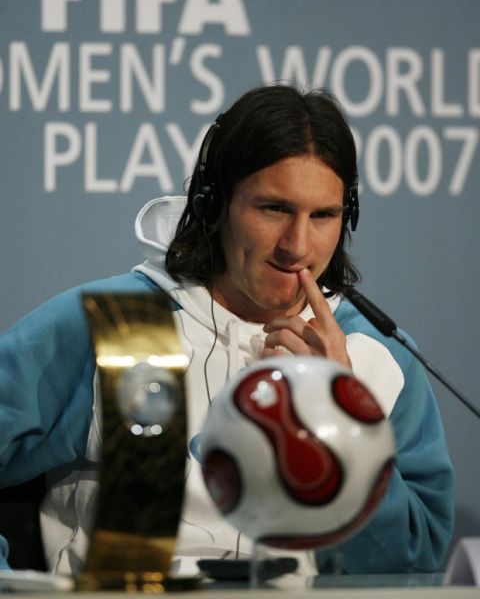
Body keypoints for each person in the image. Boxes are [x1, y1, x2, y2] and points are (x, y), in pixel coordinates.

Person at [0, 85, 454, 577]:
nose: (297, 246)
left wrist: (343, 417)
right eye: (274, 209)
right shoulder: (113, 324)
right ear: (213, 204)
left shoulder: (377, 357)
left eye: (323, 216)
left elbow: (410, 562)